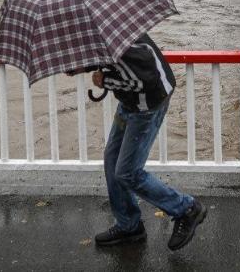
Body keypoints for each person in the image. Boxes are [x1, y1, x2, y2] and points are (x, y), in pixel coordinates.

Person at [89, 33, 207, 250]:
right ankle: (129, 225)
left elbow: (144, 80)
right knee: (112, 160)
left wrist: (105, 80)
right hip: (130, 102)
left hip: (148, 104)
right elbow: (114, 62)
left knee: (127, 172)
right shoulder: (105, 30)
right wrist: (86, 67)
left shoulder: (122, 41)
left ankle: (187, 209)